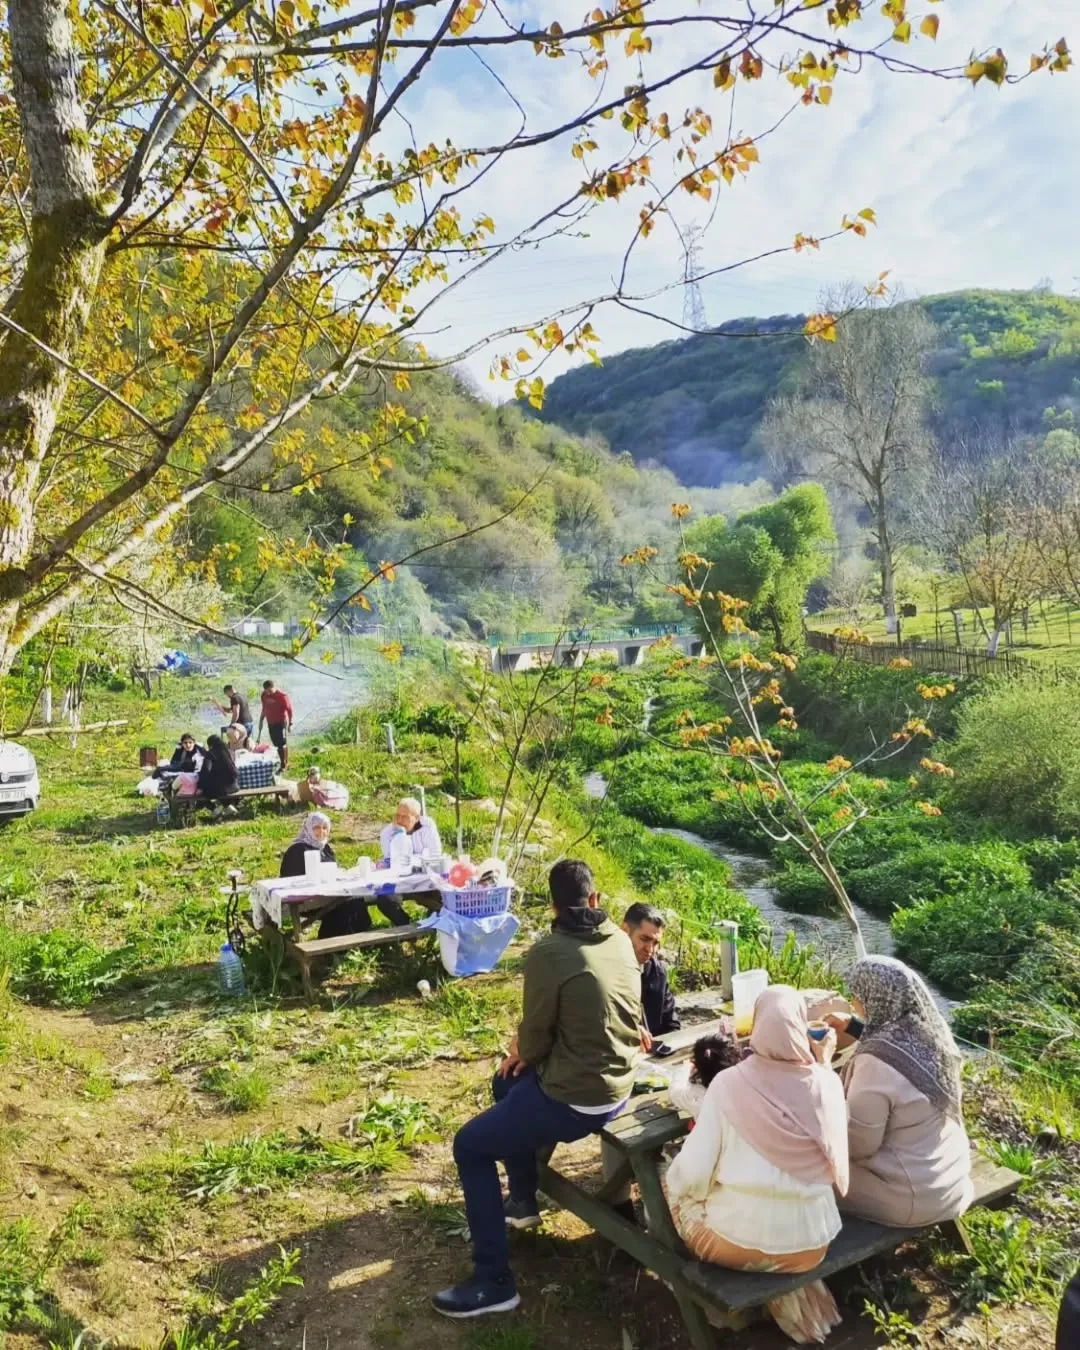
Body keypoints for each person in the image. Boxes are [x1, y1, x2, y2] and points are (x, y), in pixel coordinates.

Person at [432, 859, 642, 1320]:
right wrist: (523, 1054)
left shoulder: (551, 952)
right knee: (505, 1082)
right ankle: (523, 1199)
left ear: (551, 908)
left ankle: (493, 1282)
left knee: (470, 1146)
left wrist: (520, 1047)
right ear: (596, 900)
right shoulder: (621, 941)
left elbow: (537, 1038)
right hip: (622, 1081)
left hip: (579, 1098)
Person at [664, 985, 849, 1344]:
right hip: (814, 1244)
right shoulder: (827, 1083)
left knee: (672, 1185)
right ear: (800, 1025)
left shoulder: (729, 1084)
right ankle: (798, 1307)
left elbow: (692, 1173)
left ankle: (714, 1310)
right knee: (771, 1231)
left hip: (740, 1244)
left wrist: (682, 1181)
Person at [824, 955, 974, 1229]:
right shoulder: (931, 1035)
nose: (852, 1002)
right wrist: (854, 1026)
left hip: (909, 1197)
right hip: (950, 1177)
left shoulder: (874, 1065)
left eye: (856, 995)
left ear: (874, 999)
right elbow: (899, 1053)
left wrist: (819, 1071)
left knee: (798, 1170)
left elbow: (857, 1145)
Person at [280, 812, 371, 940]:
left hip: (328, 894)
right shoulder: (297, 850)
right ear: (308, 829)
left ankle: (358, 939)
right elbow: (290, 882)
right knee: (346, 902)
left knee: (355, 898)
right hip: (306, 900)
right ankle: (329, 942)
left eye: (325, 828)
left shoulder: (325, 848)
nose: (321, 832)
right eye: (316, 827)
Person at [378, 797, 443, 925]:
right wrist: (399, 835)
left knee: (445, 895)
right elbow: (391, 861)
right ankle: (407, 927)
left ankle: (435, 924)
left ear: (417, 818)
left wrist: (411, 859)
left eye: (405, 817)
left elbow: (435, 855)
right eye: (398, 816)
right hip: (400, 880)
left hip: (425, 878)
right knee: (385, 900)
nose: (400, 821)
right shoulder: (387, 833)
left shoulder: (428, 825)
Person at [621, 902, 680, 1042]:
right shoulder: (605, 970)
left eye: (656, 943)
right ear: (624, 930)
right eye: (644, 939)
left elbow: (671, 1024)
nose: (650, 949)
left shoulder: (658, 973)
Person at [668, 1029, 745, 1121]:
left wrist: (685, 1067)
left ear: (697, 1068)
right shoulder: (746, 1087)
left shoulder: (696, 1095)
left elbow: (674, 1092)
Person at [197, 735, 239, 816]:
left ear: (210, 745)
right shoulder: (228, 751)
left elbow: (205, 771)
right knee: (217, 789)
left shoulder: (211, 754)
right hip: (234, 786)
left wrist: (200, 786)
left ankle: (215, 810)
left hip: (223, 788)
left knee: (203, 793)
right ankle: (229, 808)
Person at [258, 680, 293, 772]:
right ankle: (284, 761)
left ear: (274, 687)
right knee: (276, 743)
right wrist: (261, 719)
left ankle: (284, 764)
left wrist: (290, 724)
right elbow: (264, 707)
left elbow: (289, 710)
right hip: (270, 722)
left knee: (282, 743)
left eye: (270, 690)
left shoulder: (282, 696)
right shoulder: (264, 695)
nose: (268, 693)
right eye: (267, 691)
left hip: (281, 722)